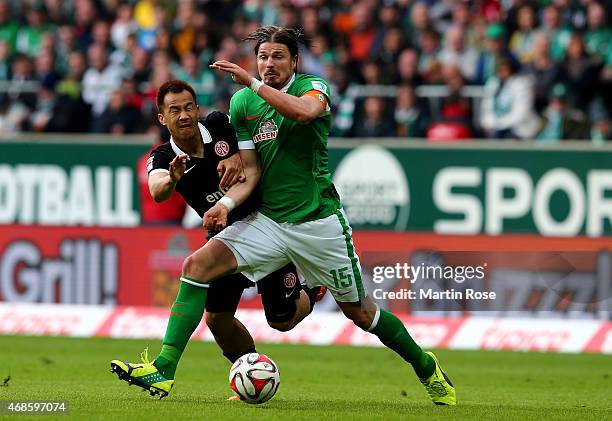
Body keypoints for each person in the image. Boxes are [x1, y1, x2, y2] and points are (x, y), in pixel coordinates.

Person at [112, 26, 456, 406]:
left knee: (360, 313)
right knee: (196, 267)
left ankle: (427, 368)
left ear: (294, 61)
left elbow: (305, 114)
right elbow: (252, 172)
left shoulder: (314, 87)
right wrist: (225, 205)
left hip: (318, 222)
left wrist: (253, 85)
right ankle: (163, 369)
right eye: (262, 57)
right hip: (267, 221)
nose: (269, 64)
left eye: (278, 57)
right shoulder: (242, 103)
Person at [111, 79, 323, 398]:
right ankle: (243, 373)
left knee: (281, 319)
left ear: (197, 108)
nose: (183, 115)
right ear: (161, 118)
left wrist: (236, 160)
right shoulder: (164, 156)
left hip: (267, 227)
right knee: (217, 317)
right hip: (227, 236)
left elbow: (250, 154)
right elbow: (157, 190)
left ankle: (312, 288)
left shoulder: (219, 124)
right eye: (174, 110)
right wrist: (173, 178)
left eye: (187, 107)